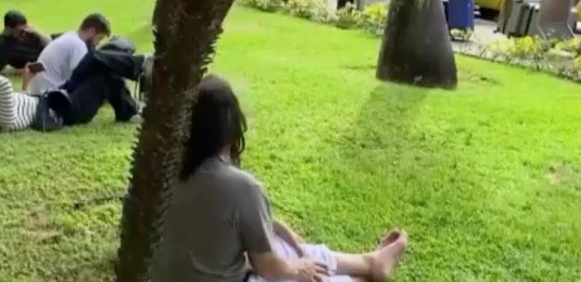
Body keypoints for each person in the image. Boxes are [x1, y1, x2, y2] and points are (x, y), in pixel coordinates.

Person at [153, 76, 408, 282]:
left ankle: (371, 262)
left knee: (287, 247)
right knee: (304, 268)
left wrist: (274, 226)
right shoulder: (242, 187)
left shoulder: (166, 174)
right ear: (232, 130)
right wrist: (299, 269)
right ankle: (366, 272)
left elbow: (212, 223)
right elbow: (269, 267)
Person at [0, 36, 149, 132]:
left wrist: (26, 80)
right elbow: (4, 86)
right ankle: (141, 66)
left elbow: (26, 98)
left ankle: (129, 107)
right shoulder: (5, 119)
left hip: (57, 97)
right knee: (101, 71)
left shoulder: (5, 106)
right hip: (67, 111)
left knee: (95, 58)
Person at [26, 13, 111, 95]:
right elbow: (79, 77)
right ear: (92, 31)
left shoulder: (70, 36)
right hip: (47, 94)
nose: (97, 43)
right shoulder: (78, 45)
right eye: (99, 38)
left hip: (38, 89)